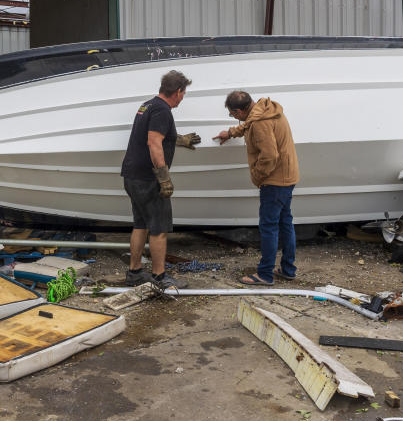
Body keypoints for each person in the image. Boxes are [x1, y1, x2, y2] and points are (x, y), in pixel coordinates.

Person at [120, 70, 200, 289]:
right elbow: (154, 142)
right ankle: (159, 277)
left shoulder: (147, 105)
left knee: (141, 224)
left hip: (132, 175)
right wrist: (164, 178)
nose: (183, 97)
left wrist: (178, 139)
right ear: (177, 92)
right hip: (149, 179)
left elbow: (156, 135)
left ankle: (134, 272)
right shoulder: (163, 110)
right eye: (183, 93)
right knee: (159, 229)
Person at [214, 91, 299, 285]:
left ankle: (265, 274)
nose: (234, 118)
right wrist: (231, 132)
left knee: (268, 227)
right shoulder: (264, 109)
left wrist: (257, 177)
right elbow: (248, 123)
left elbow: (269, 156)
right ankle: (288, 269)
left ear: (239, 110)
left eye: (232, 114)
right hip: (287, 176)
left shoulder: (260, 123)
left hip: (274, 181)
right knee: (285, 223)